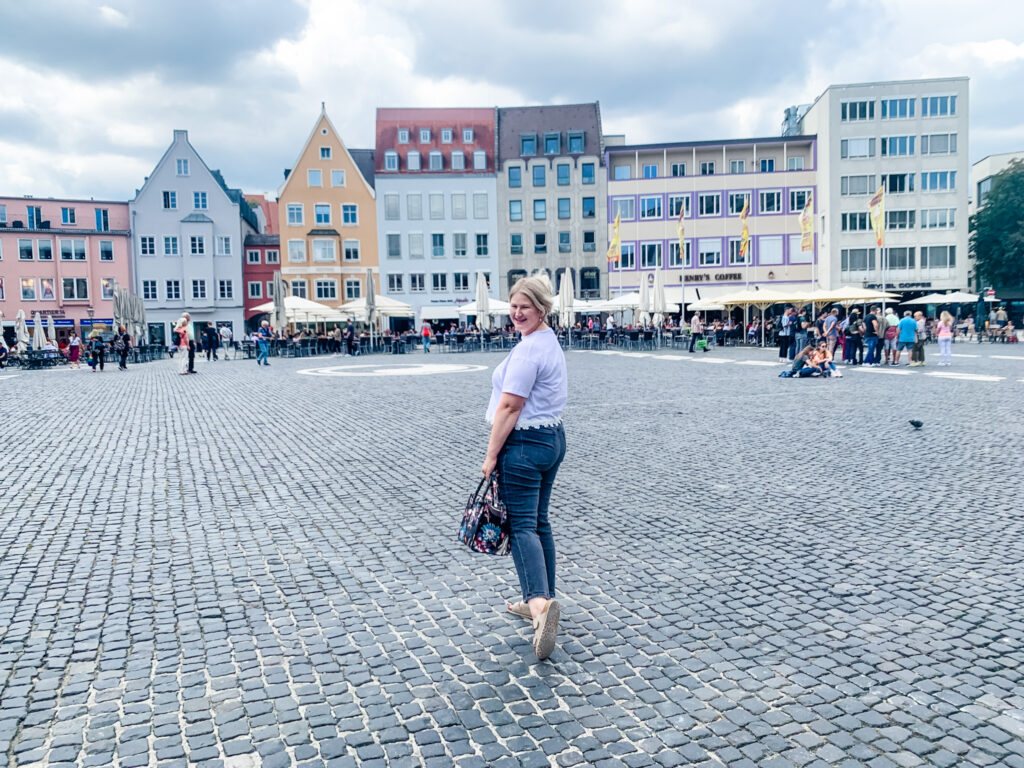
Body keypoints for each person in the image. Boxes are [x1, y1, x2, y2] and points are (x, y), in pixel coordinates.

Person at [482, 276, 567, 661]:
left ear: (542, 309)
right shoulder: (547, 341)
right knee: (539, 522)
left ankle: (538, 606)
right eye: (513, 306)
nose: (517, 313)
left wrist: (490, 455)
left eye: (525, 307)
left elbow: (510, 407)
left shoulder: (530, 350)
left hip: (525, 444)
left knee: (522, 527)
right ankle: (543, 597)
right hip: (551, 438)